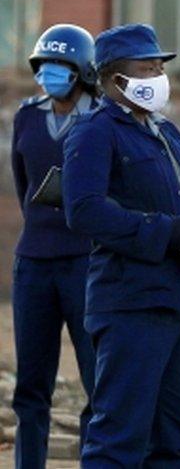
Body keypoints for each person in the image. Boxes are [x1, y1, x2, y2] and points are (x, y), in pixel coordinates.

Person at [61, 23, 180, 467]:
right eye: (147, 67)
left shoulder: (165, 132)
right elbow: (83, 211)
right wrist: (168, 231)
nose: (158, 75)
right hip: (132, 307)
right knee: (119, 440)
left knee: (174, 442)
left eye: (160, 66)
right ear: (116, 78)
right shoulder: (95, 132)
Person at [11, 24, 99, 468]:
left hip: (86, 263)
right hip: (33, 263)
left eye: (59, 67)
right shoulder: (26, 116)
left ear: (81, 71)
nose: (48, 75)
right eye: (43, 67)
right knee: (31, 385)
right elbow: (23, 184)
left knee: (96, 378)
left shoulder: (102, 120)